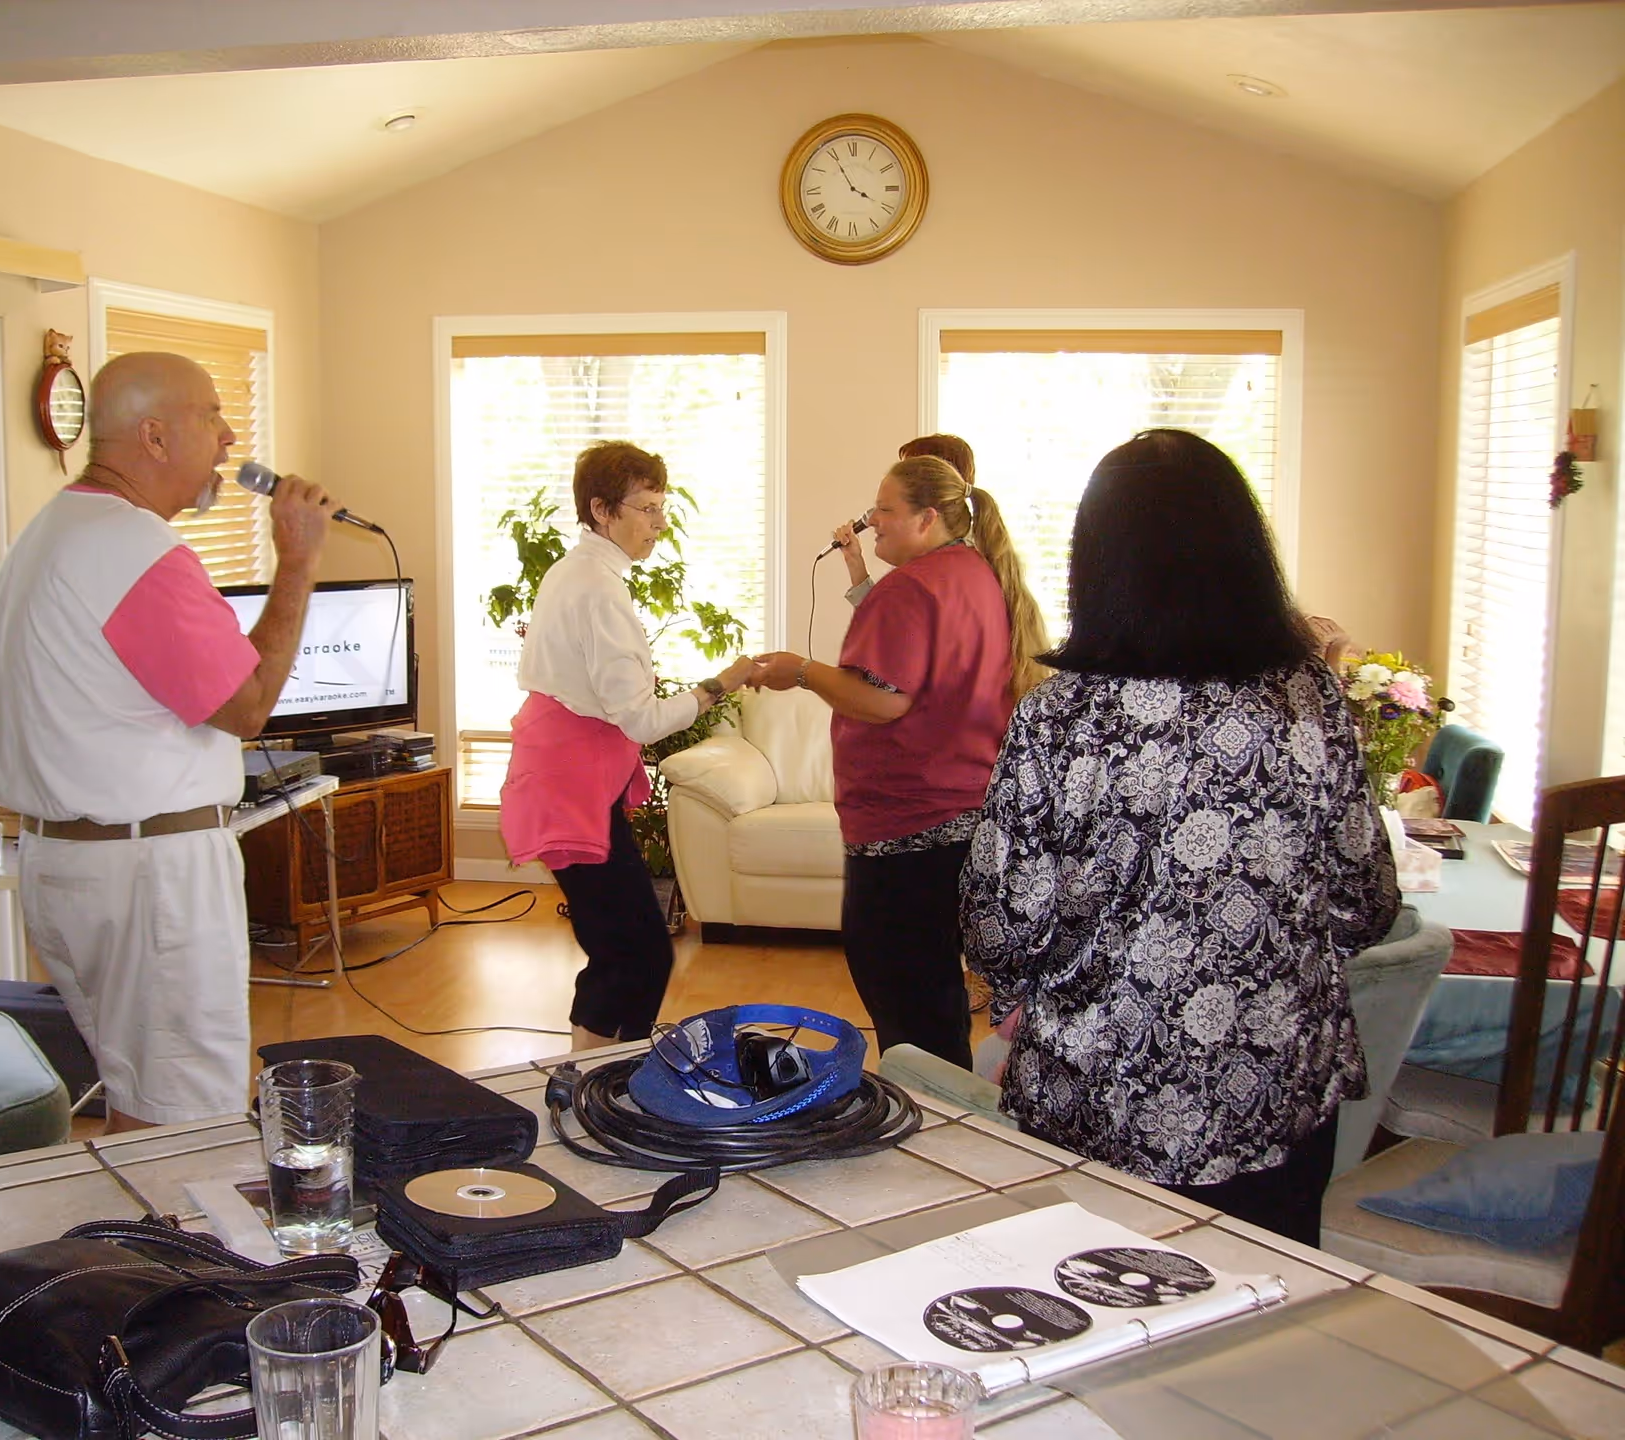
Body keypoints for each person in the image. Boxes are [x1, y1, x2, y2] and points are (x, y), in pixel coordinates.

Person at [959, 428, 1398, 1245]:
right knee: (1257, 1334)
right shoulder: (1308, 702)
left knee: (1097, 1325)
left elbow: (998, 926)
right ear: (1244, 556)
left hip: (1097, 1101)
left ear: (1097, 564)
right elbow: (1364, 904)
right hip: (1274, 1094)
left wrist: (1023, 992)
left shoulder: (1059, 720)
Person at [0, 351, 333, 1131]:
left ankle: (132, 1251)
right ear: (153, 436)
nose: (230, 434)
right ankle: (183, 1252)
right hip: (150, 878)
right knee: (187, 1121)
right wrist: (298, 564)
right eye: (211, 414)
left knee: (137, 1101)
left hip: (67, 862)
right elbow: (246, 707)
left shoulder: (52, 532)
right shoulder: (137, 550)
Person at [754, 451, 1048, 1069]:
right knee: (933, 987)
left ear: (927, 517)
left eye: (884, 510)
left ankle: (930, 1127)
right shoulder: (974, 573)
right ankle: (950, 1115)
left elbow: (885, 701)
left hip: (906, 825)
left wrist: (801, 671)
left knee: (907, 1002)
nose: (872, 520)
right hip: (962, 814)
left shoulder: (911, 587)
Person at [499, 440, 759, 1051]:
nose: (659, 525)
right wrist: (723, 682)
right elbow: (640, 719)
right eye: (646, 509)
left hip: (569, 783)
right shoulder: (597, 588)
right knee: (638, 953)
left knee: (621, 948)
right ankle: (607, 1078)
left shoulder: (578, 572)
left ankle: (590, 1072)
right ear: (602, 510)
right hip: (568, 790)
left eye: (660, 509)